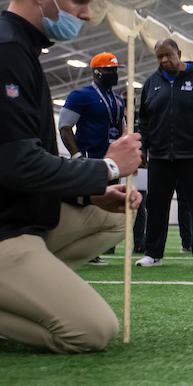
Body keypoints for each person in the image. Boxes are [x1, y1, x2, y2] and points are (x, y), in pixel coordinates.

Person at [0, 0, 141, 352]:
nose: (87, 14)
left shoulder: (20, 51)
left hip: (8, 215)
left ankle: (16, 291)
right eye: (79, 1)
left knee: (117, 217)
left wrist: (90, 191)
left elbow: (28, 161)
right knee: (90, 331)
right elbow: (18, 167)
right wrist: (106, 167)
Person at [136, 39, 193, 268]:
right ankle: (153, 253)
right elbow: (144, 121)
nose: (164, 61)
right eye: (159, 57)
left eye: (168, 55)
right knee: (156, 205)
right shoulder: (151, 83)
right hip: (159, 156)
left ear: (178, 53)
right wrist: (143, 148)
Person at [58, 51, 127, 266]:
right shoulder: (81, 96)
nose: (113, 74)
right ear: (97, 71)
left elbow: (121, 128)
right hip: (90, 158)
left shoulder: (117, 100)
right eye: (109, 70)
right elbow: (65, 126)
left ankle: (99, 248)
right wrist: (77, 155)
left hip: (111, 161)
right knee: (89, 204)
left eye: (115, 70)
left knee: (110, 202)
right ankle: (83, 249)